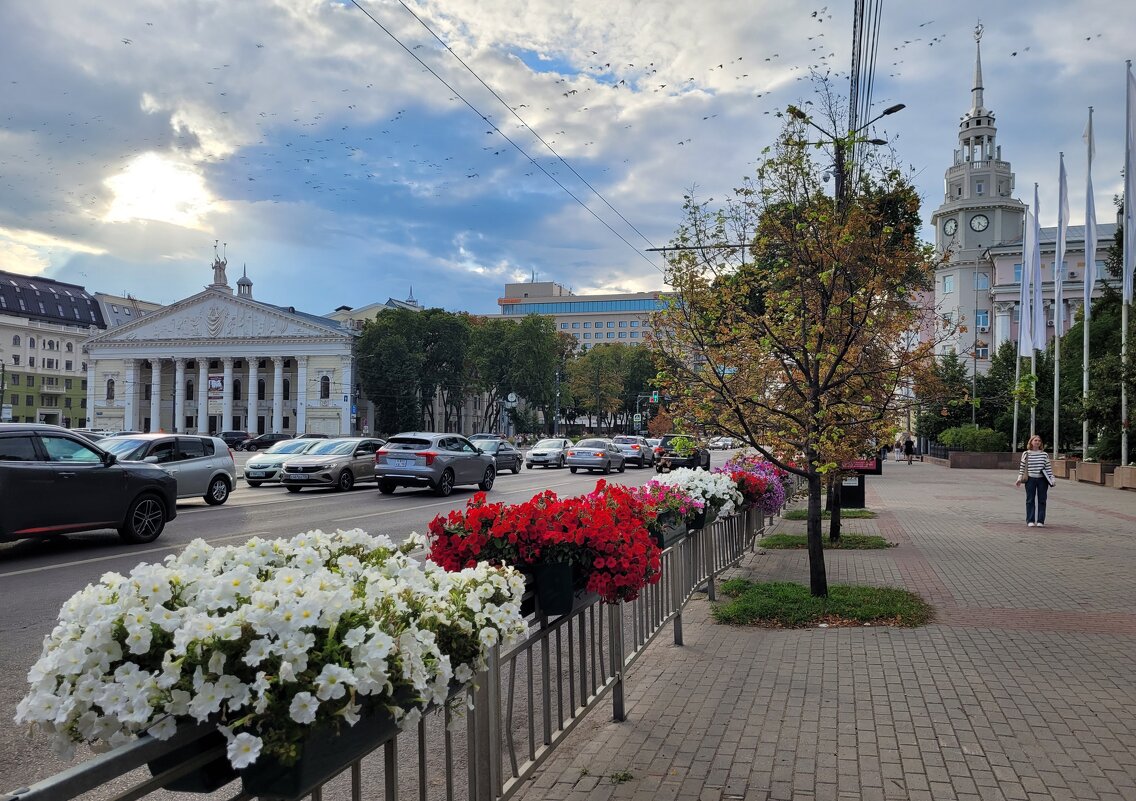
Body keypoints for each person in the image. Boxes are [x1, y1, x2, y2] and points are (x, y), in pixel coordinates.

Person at [1015, 435, 1056, 527]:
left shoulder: (1044, 454)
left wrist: (1052, 479)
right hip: (1030, 479)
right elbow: (1022, 468)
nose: (1037, 442)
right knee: (1030, 500)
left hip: (1042, 480)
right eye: (1035, 440)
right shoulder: (1026, 454)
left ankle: (1040, 521)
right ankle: (1030, 520)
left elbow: (1048, 468)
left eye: (1039, 441)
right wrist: (1019, 479)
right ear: (1031, 442)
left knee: (1042, 500)